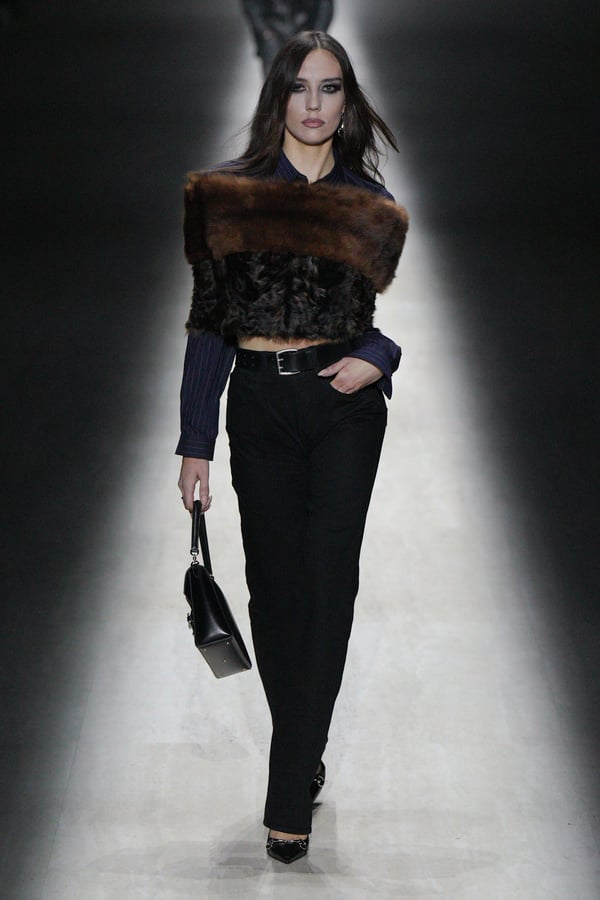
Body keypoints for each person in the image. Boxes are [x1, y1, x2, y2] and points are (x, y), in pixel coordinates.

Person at [177, 30, 408, 864]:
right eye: (300, 87)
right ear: (276, 96)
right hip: (260, 409)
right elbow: (210, 325)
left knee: (328, 584)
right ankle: (304, 746)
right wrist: (195, 440)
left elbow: (367, 325)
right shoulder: (227, 198)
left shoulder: (370, 203)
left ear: (348, 102)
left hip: (345, 410)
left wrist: (380, 357)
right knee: (275, 596)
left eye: (330, 88)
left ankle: (287, 797)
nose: (314, 104)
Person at [241, 0, 334, 75]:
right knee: (274, 81)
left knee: (306, 79)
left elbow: (325, 6)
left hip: (305, 30)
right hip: (272, 32)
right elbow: (251, 5)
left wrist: (316, 33)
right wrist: (263, 30)